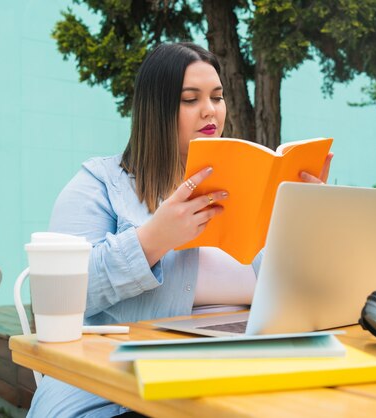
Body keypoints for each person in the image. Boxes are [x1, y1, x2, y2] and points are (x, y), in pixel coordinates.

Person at [27, 42, 333, 418]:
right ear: (156, 109)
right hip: (116, 390)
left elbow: (309, 301)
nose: (210, 110)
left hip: (238, 375)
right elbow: (63, 294)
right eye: (191, 99)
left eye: (217, 97)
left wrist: (306, 225)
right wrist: (154, 239)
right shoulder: (101, 184)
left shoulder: (252, 192)